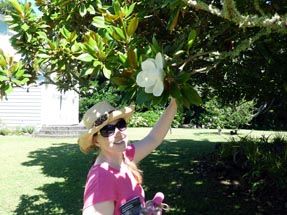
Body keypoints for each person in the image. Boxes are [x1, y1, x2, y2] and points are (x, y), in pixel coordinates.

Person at [78, 98, 178, 215]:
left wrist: (174, 102)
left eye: (120, 124)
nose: (118, 133)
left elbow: (154, 138)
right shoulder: (101, 179)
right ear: (96, 141)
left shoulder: (124, 157)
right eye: (107, 130)